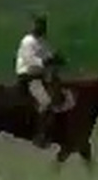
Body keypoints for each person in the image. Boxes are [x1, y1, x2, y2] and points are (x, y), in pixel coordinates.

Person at [15, 14, 65, 146]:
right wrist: (47, 61)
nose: (41, 28)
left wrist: (57, 59)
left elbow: (49, 54)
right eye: (38, 25)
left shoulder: (42, 41)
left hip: (41, 76)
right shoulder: (28, 41)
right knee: (46, 102)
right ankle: (39, 135)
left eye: (42, 25)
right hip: (29, 76)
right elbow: (30, 61)